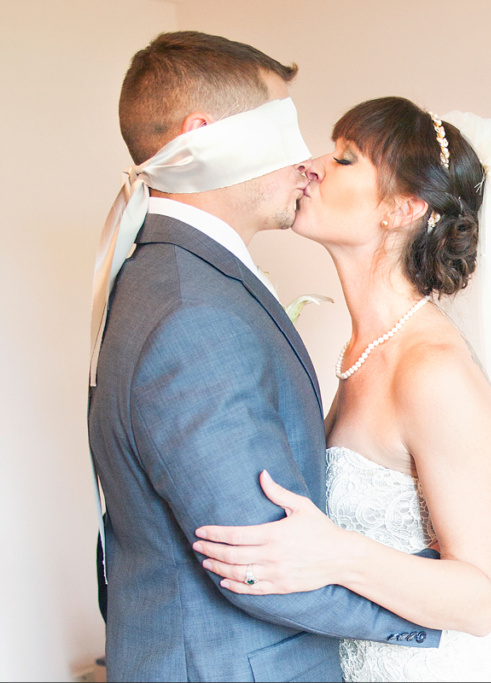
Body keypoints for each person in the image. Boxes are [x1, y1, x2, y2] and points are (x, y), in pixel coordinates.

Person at [87, 34, 440, 682]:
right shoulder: (193, 311)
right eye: (285, 128)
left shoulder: (174, 275)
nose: (307, 161)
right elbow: (261, 563)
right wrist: (436, 605)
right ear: (205, 135)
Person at [191, 97, 491, 681]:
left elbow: (479, 599)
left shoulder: (433, 368)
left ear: (403, 208)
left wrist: (334, 554)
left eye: (345, 158)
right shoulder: (362, 352)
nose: (314, 164)